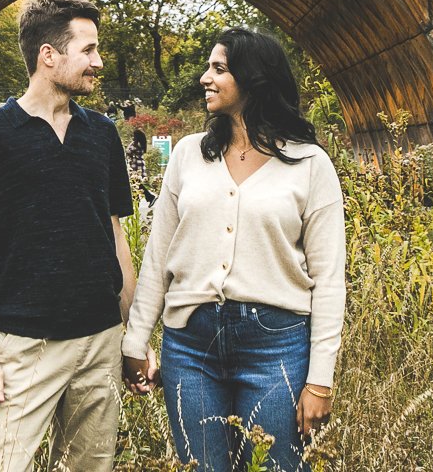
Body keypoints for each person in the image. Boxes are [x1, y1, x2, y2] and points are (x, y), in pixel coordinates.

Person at [122, 27, 346, 472]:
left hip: (276, 346)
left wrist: (320, 381)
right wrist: (135, 338)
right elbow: (158, 257)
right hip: (190, 345)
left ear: (254, 78)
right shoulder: (188, 155)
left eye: (218, 69)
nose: (205, 77)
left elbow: (330, 279)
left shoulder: (309, 164)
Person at [0, 0, 147, 472]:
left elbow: (115, 238)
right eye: (89, 49)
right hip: (23, 345)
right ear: (48, 56)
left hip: (100, 341)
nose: (99, 62)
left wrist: (134, 337)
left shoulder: (101, 135)